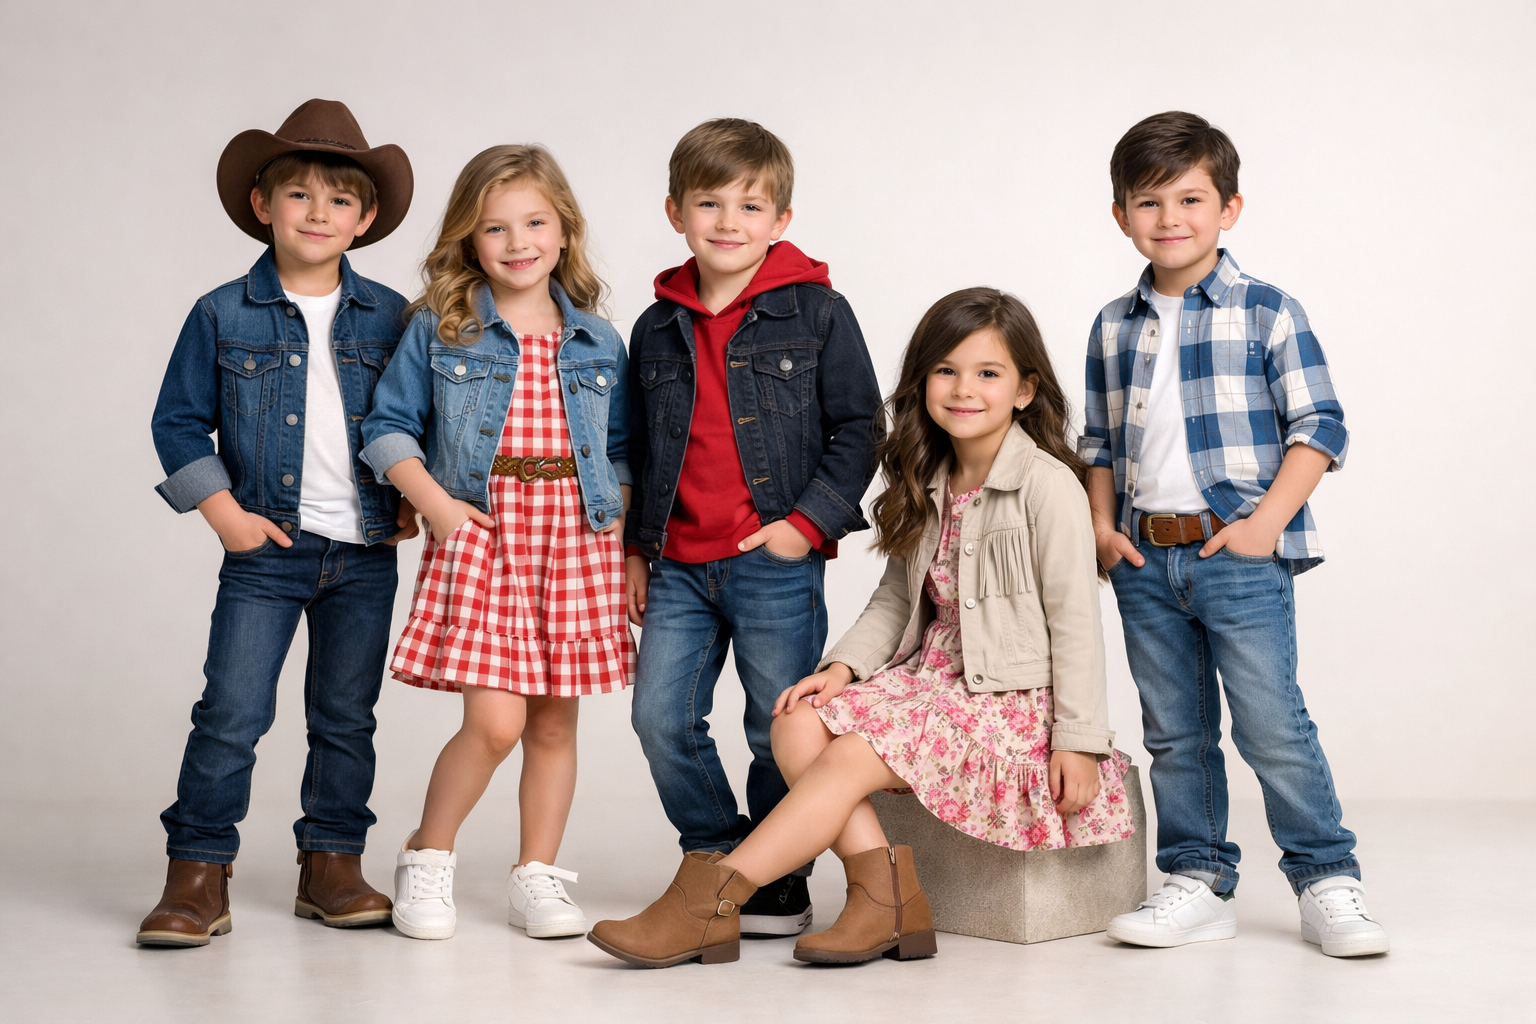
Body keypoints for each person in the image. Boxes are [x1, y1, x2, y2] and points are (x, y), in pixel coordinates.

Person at [590, 287, 1136, 968]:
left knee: (849, 753)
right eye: (946, 370)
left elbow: (1077, 623)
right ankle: (885, 899)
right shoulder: (928, 476)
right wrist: (841, 669)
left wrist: (1079, 741)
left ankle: (710, 902)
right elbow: (894, 599)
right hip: (933, 680)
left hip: (1008, 698)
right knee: (796, 720)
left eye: (988, 373)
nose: (964, 389)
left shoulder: (1047, 485)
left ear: (1025, 390)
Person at [1084, 111, 1389, 957]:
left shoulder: (1267, 310)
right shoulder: (1114, 324)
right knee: (1174, 732)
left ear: (1230, 208)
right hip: (1145, 557)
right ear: (1122, 215)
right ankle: (1198, 879)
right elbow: (1098, 441)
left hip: (1238, 556)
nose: (1169, 218)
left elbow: (1320, 425)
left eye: (1190, 198)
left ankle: (1327, 879)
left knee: (1270, 724)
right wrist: (1104, 528)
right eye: (1149, 201)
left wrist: (1265, 526)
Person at [139, 99, 417, 947]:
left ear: (364, 217)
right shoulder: (222, 313)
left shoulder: (393, 316)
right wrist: (223, 514)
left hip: (363, 554)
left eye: (339, 199)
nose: (318, 213)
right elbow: (177, 422)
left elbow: (416, 419)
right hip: (267, 549)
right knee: (231, 709)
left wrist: (409, 498)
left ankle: (331, 863)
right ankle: (196, 872)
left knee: (346, 716)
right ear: (263, 204)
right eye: (299, 195)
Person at [619, 118, 884, 938]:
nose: (728, 222)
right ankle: (715, 858)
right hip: (677, 563)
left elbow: (860, 427)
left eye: (750, 206)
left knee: (778, 727)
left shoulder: (818, 313)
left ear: (781, 220)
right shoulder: (655, 326)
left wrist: (805, 525)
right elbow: (637, 446)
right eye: (709, 203)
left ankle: (777, 880)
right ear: (675, 212)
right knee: (660, 718)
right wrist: (637, 551)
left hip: (773, 559)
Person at [359, 145, 632, 941]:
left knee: (552, 727)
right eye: (495, 228)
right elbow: (386, 428)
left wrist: (620, 523)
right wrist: (437, 507)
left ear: (564, 231)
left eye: (535, 223)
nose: (518, 243)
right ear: (469, 240)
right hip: (485, 536)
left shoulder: (597, 340)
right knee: (496, 724)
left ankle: (535, 874)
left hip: (574, 544)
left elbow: (620, 450)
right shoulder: (443, 328)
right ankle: (427, 854)